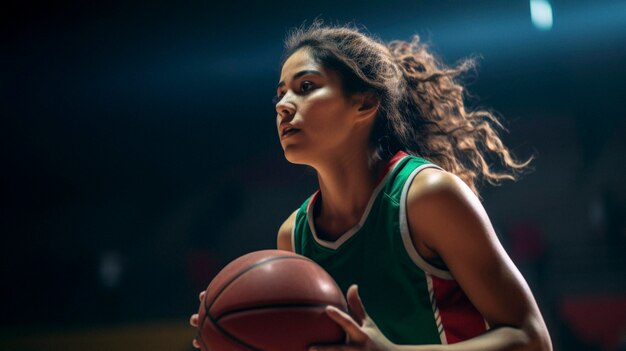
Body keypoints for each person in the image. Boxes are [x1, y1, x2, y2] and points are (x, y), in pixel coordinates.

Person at [190, 22, 552, 350]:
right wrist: (232, 336)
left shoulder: (428, 197)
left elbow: (532, 337)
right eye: (280, 94)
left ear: (364, 102)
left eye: (306, 87)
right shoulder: (294, 237)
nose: (283, 105)